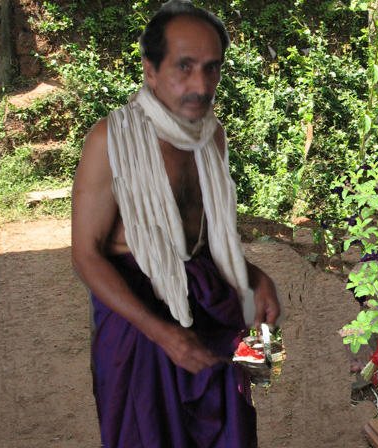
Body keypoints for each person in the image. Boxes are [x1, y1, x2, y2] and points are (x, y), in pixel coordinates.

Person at [71, 2, 280, 447]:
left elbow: (205, 240)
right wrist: (162, 333)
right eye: (184, 67)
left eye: (211, 68)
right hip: (137, 322)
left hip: (207, 304)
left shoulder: (211, 135)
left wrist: (253, 277)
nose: (200, 85)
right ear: (151, 71)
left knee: (233, 430)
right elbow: (86, 255)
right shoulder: (110, 140)